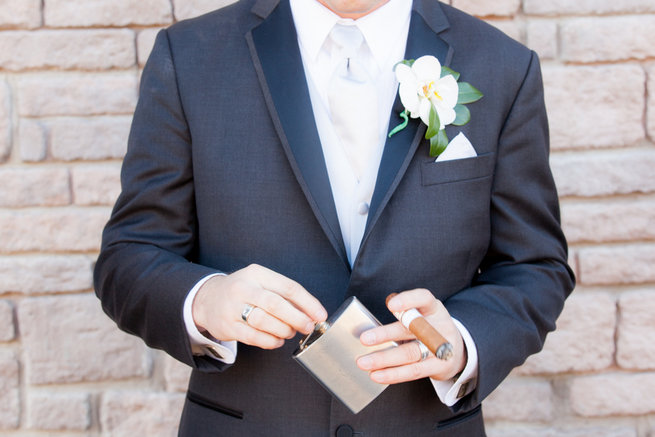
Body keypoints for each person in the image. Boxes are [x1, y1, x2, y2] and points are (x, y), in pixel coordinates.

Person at [94, 0, 575, 435]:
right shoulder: (191, 56)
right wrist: (205, 302)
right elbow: (130, 258)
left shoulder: (503, 66)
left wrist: (463, 343)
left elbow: (535, 266)